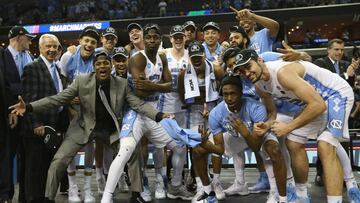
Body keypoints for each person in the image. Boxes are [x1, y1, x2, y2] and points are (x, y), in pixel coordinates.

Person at [10, 50, 169, 203]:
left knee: (133, 152)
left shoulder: (121, 84)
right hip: (83, 127)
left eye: (105, 63)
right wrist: (29, 107)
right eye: (98, 64)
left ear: (110, 65)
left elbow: (138, 104)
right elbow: (57, 99)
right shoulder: (82, 81)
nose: (102, 66)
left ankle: (136, 194)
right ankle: (48, 198)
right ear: (94, 67)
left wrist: (159, 115)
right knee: (58, 161)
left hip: (109, 130)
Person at [233, 49, 360, 203]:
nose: (246, 73)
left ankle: (340, 195)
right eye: (242, 70)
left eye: (248, 66)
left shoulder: (282, 73)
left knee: (325, 144)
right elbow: (272, 112)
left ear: (259, 60)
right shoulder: (259, 85)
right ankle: (301, 196)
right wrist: (267, 124)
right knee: (293, 143)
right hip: (312, 101)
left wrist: (287, 127)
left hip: (335, 94)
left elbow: (318, 105)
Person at [101, 24, 191, 203]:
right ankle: (107, 196)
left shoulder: (162, 58)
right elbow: (140, 92)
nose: (151, 40)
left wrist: (152, 85)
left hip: (154, 113)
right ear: (145, 39)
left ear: (160, 39)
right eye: (148, 37)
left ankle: (174, 186)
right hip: (136, 113)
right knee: (125, 152)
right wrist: (159, 86)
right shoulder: (137, 59)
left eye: (155, 37)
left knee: (180, 146)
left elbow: (169, 86)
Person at [193, 74, 288, 203]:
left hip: (255, 136)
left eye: (233, 93)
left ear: (241, 92)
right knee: (198, 149)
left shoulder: (256, 108)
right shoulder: (216, 113)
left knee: (274, 150)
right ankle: (207, 190)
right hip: (236, 136)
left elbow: (255, 147)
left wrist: (245, 132)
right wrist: (206, 145)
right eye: (225, 94)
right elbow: (220, 149)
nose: (229, 98)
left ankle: (280, 197)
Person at [21, 34, 68, 202]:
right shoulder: (32, 67)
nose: (52, 50)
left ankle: (46, 199)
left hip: (54, 127)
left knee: (48, 169)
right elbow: (29, 99)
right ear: (40, 48)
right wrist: (36, 123)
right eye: (48, 46)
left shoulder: (56, 68)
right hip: (38, 129)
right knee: (35, 172)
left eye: (55, 46)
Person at [177, 41, 224, 202]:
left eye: (199, 56)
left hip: (214, 110)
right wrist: (199, 101)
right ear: (189, 57)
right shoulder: (184, 73)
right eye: (193, 57)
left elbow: (223, 90)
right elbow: (182, 95)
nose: (196, 60)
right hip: (194, 112)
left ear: (204, 55)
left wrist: (209, 105)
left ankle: (216, 182)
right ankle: (201, 186)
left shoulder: (216, 69)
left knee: (216, 146)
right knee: (196, 148)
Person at [60, 25, 100, 202]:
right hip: (71, 111)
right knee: (72, 148)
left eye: (93, 42)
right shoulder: (68, 56)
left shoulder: (98, 58)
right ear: (80, 40)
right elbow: (61, 83)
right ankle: (73, 188)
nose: (89, 44)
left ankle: (88, 188)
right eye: (86, 40)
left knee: (90, 147)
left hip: (90, 111)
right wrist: (68, 104)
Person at [313, 38, 360, 186]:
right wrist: (346, 75)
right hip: (326, 109)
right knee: (325, 141)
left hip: (344, 109)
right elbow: (326, 84)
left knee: (343, 142)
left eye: (341, 50)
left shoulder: (346, 65)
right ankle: (321, 173)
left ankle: (345, 176)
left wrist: (351, 75)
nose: (339, 52)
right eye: (336, 49)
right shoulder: (320, 64)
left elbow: (350, 87)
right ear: (328, 50)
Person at [0, 25, 35, 203]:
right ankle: (5, 194)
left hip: (28, 113)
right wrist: (10, 110)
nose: (30, 41)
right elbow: (4, 87)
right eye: (27, 38)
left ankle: (24, 196)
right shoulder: (3, 56)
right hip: (11, 113)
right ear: (18, 37)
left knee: (26, 155)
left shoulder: (28, 57)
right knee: (8, 153)